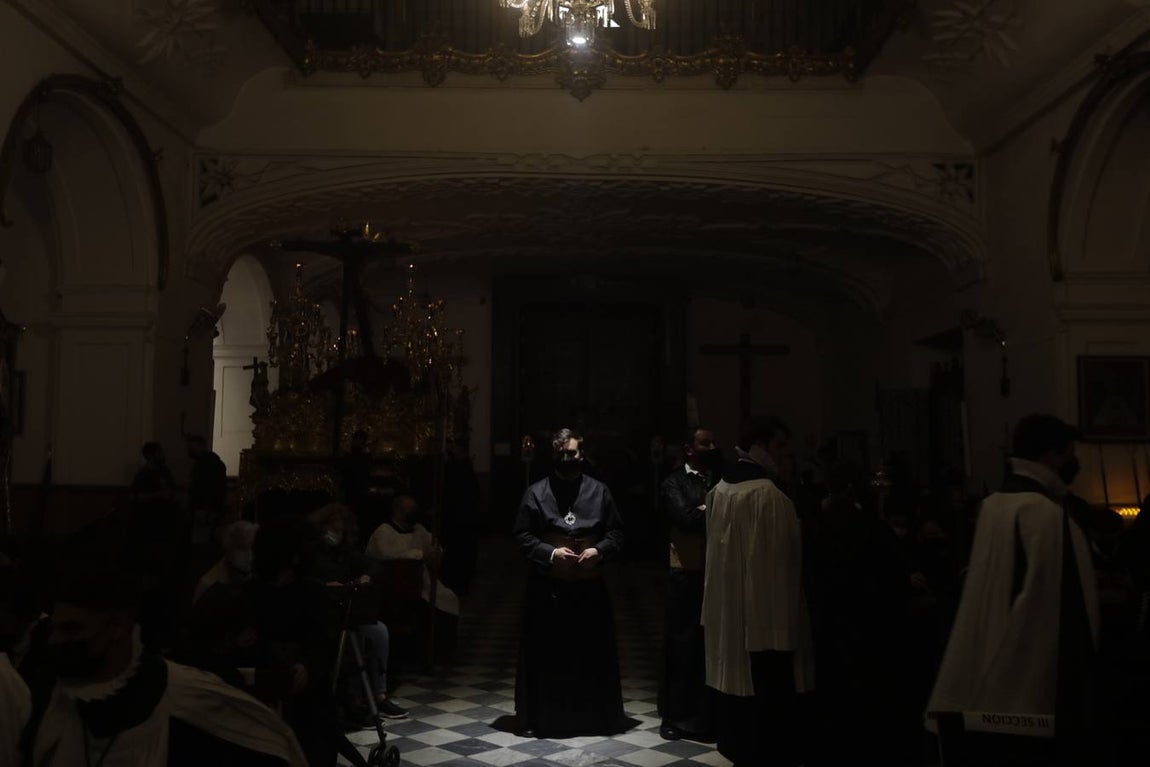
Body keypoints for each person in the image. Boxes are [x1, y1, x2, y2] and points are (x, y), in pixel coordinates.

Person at [926, 414, 1100, 767]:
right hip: (1030, 693)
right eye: (1068, 453)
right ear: (1050, 456)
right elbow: (1061, 614)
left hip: (984, 670)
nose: (1072, 462)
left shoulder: (994, 506)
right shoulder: (1045, 516)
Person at [26, 553, 307, 766]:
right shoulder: (50, 696)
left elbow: (272, 745)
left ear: (117, 627)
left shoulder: (189, 699)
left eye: (71, 629)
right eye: (55, 628)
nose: (55, 641)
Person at [701, 417, 813, 767]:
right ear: (760, 447)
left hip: (730, 607)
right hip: (766, 611)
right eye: (779, 447)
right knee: (766, 681)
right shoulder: (769, 496)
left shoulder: (720, 489)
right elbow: (785, 561)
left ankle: (735, 741)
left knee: (738, 676)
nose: (784, 456)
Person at [512, 428, 628, 738]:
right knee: (549, 657)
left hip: (588, 589)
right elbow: (522, 536)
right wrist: (549, 553)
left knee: (589, 656)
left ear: (582, 454)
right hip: (548, 589)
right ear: (554, 455)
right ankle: (545, 718)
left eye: (573, 453)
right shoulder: (536, 492)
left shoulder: (599, 491)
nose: (568, 459)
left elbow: (617, 533)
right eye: (562, 454)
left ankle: (591, 719)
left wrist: (598, 550)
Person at [307, 503, 407, 720]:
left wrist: (365, 577)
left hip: (348, 610)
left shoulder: (345, 552)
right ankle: (349, 701)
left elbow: (374, 566)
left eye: (340, 530)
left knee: (379, 631)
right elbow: (303, 579)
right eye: (332, 529)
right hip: (321, 613)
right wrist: (323, 585)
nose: (335, 534)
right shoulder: (311, 553)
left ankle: (379, 696)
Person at [657, 426, 722, 742]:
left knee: (709, 646)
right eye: (704, 442)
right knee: (681, 645)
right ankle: (675, 715)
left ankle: (707, 715)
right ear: (688, 448)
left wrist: (704, 510)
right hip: (684, 575)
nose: (711, 446)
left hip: (714, 572)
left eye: (713, 442)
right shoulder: (674, 482)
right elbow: (684, 517)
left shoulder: (718, 478)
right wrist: (708, 511)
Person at [194, 521, 258, 603]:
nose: (249, 555)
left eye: (252, 548)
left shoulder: (254, 578)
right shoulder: (208, 585)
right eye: (242, 548)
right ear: (228, 549)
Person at [186, 435, 228, 545]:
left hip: (205, 508)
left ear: (201, 447)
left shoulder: (205, 464)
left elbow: (207, 487)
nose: (189, 451)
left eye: (192, 447)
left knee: (201, 539)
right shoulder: (212, 462)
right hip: (210, 507)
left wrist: (206, 507)